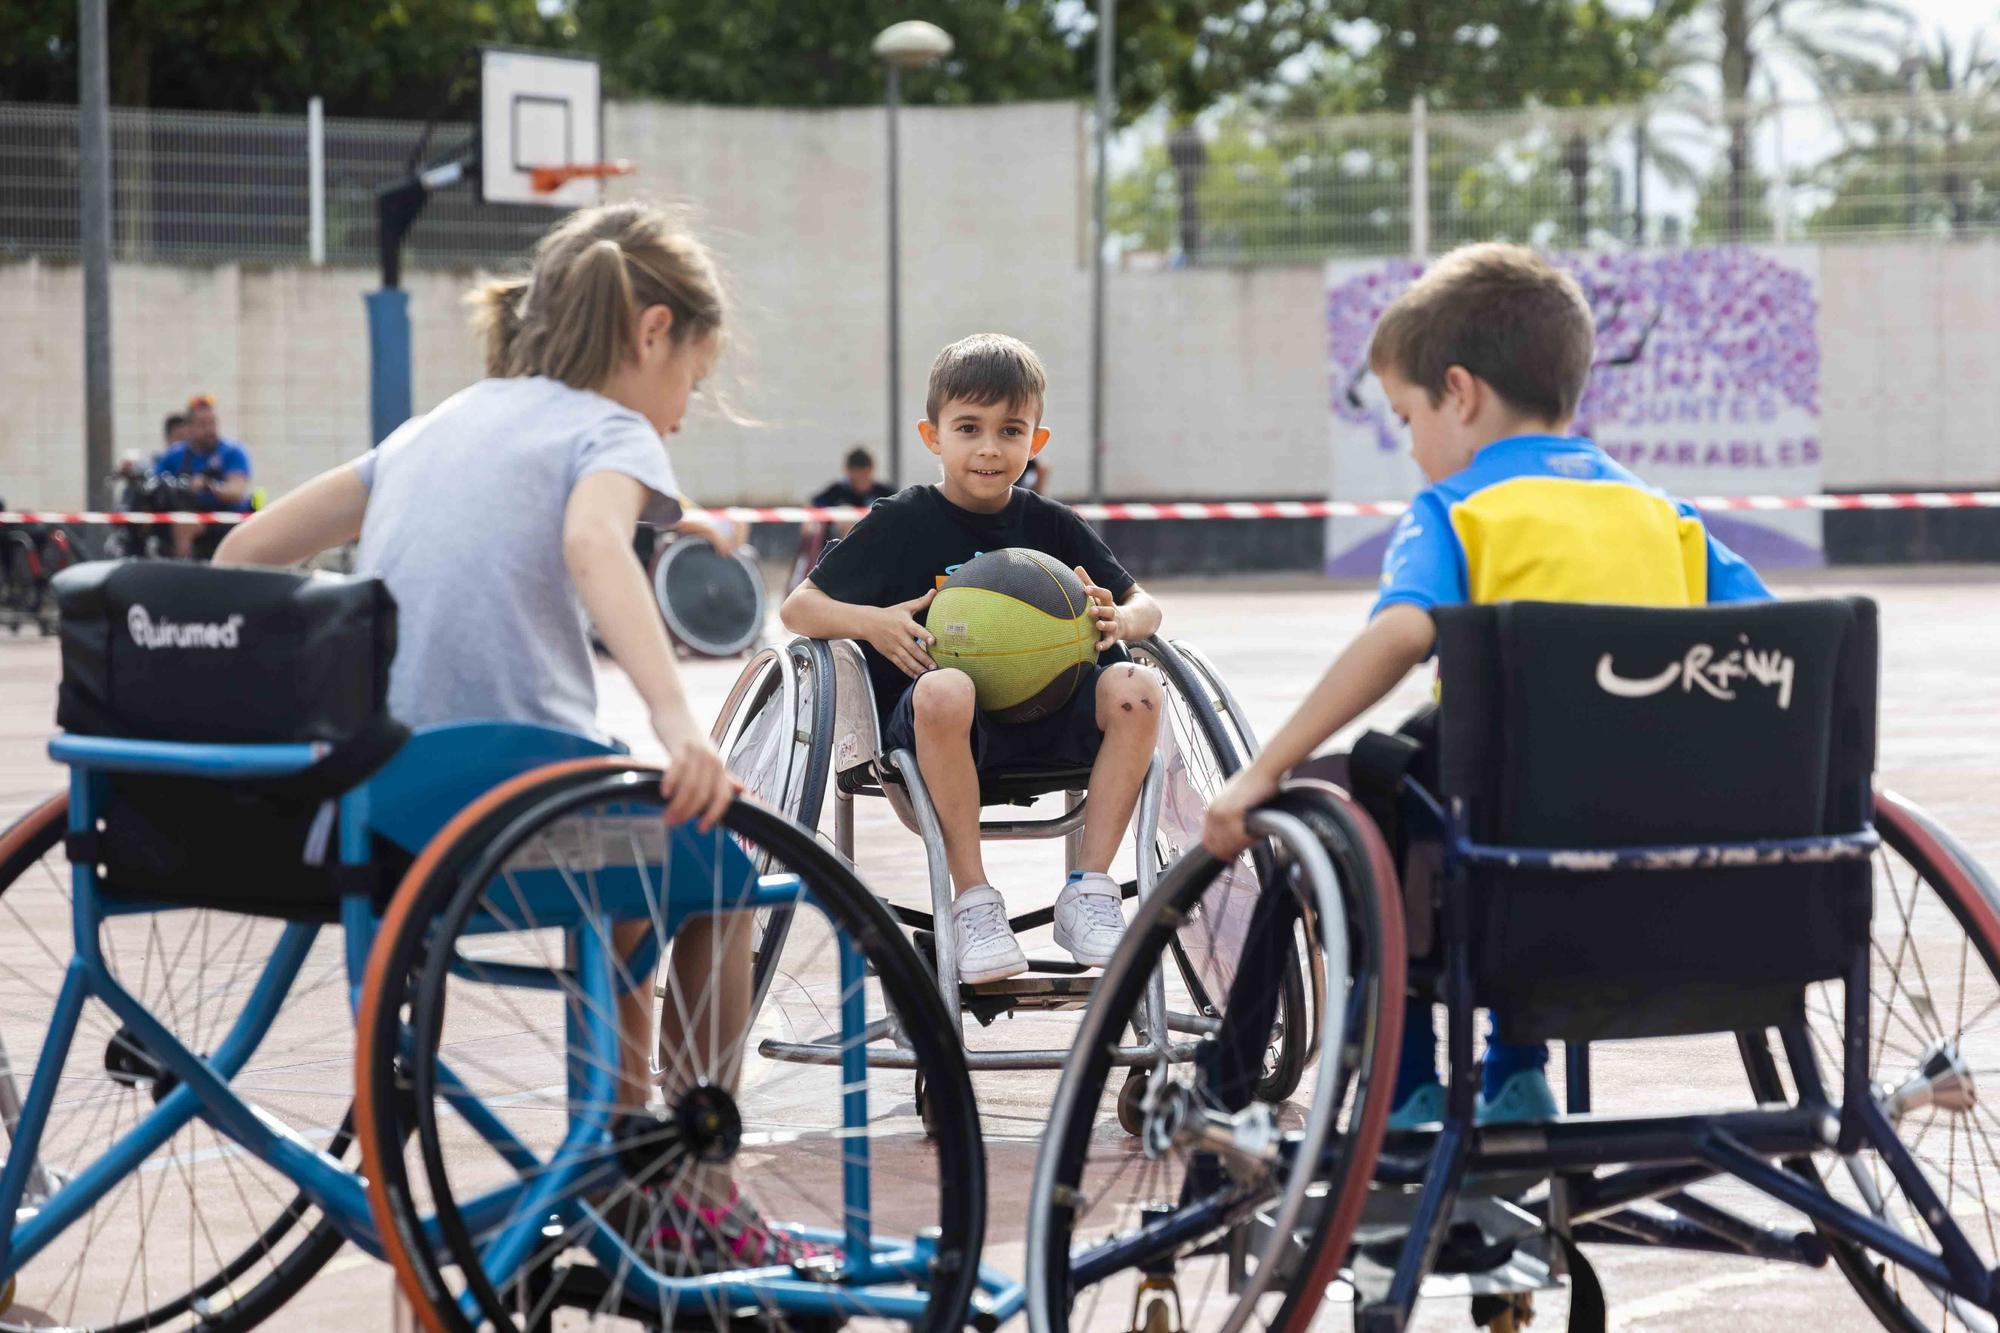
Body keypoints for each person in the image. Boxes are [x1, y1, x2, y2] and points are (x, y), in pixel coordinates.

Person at [214, 201, 791, 1269]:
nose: (677, 417)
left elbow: (245, 549)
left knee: (633, 877)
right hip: (516, 805)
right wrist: (677, 726)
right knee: (721, 869)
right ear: (651, 332)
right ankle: (687, 1172)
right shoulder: (607, 429)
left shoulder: (437, 423)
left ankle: (627, 1153)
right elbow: (589, 540)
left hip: (377, 808)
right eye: (690, 387)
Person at [1201, 242, 1770, 1128]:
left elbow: (1399, 632)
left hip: (1506, 866)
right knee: (1503, 768)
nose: (1412, 443)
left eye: (1406, 416)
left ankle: (1410, 1082)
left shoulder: (1457, 511)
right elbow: (1770, 642)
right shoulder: (1668, 518)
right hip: (1675, 871)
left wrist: (1264, 770)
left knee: (1371, 796)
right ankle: (1515, 1067)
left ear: (1458, 393)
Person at [780, 333, 1165, 984]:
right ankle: (972, 902)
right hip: (939, 726)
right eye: (969, 427)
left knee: (1140, 687)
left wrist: (1119, 617)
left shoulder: (1051, 523)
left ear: (1035, 442)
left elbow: (1147, 607)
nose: (989, 447)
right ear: (933, 436)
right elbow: (799, 609)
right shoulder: (902, 520)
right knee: (948, 686)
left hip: (1049, 720)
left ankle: (1091, 889)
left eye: (1010, 430)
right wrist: (871, 622)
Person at [157, 395, 253, 559]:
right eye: (202, 425)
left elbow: (236, 492)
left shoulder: (232, 452)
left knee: (184, 525)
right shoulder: (175, 455)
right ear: (189, 429)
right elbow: (156, 479)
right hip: (189, 512)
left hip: (226, 519)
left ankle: (184, 575)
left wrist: (208, 486)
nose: (210, 430)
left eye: (212, 423)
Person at [810, 446, 896, 513]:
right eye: (856, 474)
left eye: (863, 474)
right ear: (848, 471)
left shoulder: (885, 492)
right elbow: (815, 505)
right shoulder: (838, 491)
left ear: (871, 469)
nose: (860, 478)